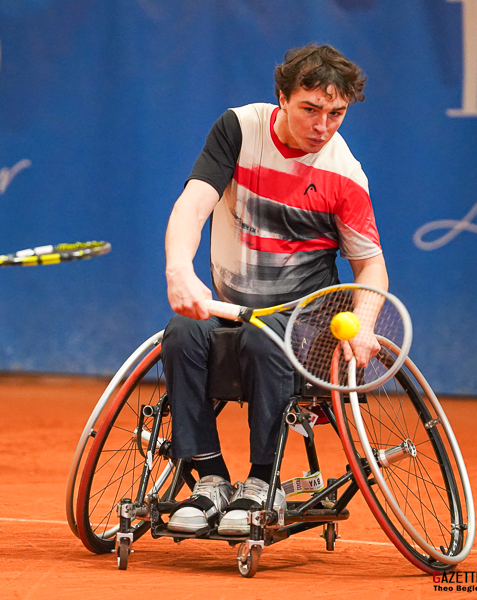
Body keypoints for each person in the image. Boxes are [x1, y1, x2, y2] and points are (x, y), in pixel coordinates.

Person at [162, 43, 387, 535]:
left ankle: (263, 480)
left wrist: (366, 324)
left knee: (264, 337)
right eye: (310, 109)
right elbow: (193, 205)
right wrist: (179, 268)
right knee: (181, 333)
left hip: (306, 322)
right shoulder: (239, 129)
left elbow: (370, 265)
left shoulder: (344, 174)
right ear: (281, 97)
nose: (322, 126)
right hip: (231, 309)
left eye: (336, 113)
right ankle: (210, 478)